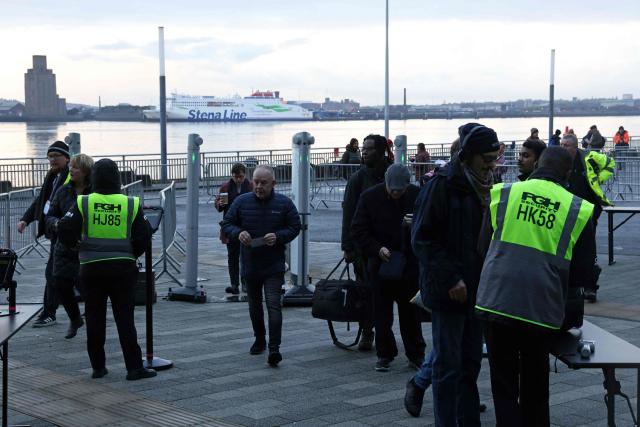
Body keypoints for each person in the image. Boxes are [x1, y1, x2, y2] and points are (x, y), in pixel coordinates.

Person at [476, 147, 595, 427]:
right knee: (535, 382)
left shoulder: (504, 194)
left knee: (503, 382)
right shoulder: (577, 208)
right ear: (567, 173)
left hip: (496, 300)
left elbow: (482, 248)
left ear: (538, 165)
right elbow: (582, 276)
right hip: (540, 307)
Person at [406, 123, 500, 425]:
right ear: (469, 155)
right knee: (447, 366)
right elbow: (422, 238)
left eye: (495, 157)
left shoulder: (487, 185)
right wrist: (451, 278)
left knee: (470, 364)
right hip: (448, 291)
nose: (492, 164)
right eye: (486, 157)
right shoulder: (442, 185)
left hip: (476, 289)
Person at [57, 158, 156, 381]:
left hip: (91, 270)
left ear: (94, 178)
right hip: (122, 270)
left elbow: (64, 228)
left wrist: (75, 246)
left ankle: (98, 368)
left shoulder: (84, 202)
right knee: (125, 319)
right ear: (117, 178)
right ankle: (134, 368)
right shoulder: (130, 203)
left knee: (94, 318)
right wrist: (131, 253)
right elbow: (144, 236)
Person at [221, 165, 301, 367]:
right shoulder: (241, 201)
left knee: (274, 306)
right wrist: (238, 233)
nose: (258, 186)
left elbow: (295, 226)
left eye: (263, 183)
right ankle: (259, 339)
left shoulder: (284, 203)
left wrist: (279, 236)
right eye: (255, 182)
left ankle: (275, 349)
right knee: (254, 306)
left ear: (273, 184)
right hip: (250, 265)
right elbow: (227, 223)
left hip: (274, 265)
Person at [351, 164, 426, 372]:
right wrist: (376, 249)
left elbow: (431, 227)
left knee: (411, 313)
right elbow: (358, 230)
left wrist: (416, 224)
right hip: (380, 264)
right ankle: (384, 354)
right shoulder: (369, 197)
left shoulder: (417, 195)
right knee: (381, 313)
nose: (395, 193)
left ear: (407, 186)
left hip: (408, 264)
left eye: (399, 190)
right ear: (385, 181)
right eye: (391, 189)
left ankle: (416, 354)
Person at [341, 134, 392, 351]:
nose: (364, 152)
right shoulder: (358, 179)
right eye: (363, 148)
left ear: (382, 152)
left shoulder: (392, 175)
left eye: (369, 149)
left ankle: (384, 333)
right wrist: (347, 247)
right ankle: (368, 331)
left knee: (390, 292)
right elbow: (348, 214)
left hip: (391, 246)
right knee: (366, 291)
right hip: (364, 247)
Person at [19, 140, 71, 328]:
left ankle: (50, 312)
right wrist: (26, 219)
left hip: (67, 233)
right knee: (62, 274)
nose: (52, 160)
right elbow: (41, 201)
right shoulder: (52, 176)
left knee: (55, 273)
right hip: (56, 232)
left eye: (56, 156)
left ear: (67, 158)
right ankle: (56, 311)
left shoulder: (72, 177)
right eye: (49, 156)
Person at [45, 153, 94, 339]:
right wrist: (57, 225)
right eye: (71, 166)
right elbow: (49, 216)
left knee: (88, 287)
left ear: (86, 171)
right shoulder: (63, 191)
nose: (71, 170)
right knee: (60, 284)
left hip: (87, 249)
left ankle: (93, 318)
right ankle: (75, 318)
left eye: (76, 167)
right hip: (64, 248)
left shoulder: (96, 193)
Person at [561, 133, 614, 302]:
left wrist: (598, 179)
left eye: (566, 146)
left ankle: (591, 287)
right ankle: (571, 285)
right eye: (561, 145)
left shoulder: (588, 156)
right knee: (569, 248)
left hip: (588, 209)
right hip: (568, 210)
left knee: (588, 249)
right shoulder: (560, 162)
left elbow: (609, 163)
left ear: (575, 147)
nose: (562, 148)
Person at [215, 163, 253, 295]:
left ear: (245, 175)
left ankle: (245, 283)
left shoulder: (250, 185)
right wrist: (219, 203)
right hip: (231, 226)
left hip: (246, 225)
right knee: (232, 257)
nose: (238, 179)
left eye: (241, 177)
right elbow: (220, 207)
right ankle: (234, 284)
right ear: (232, 175)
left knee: (246, 256)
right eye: (236, 177)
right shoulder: (226, 186)